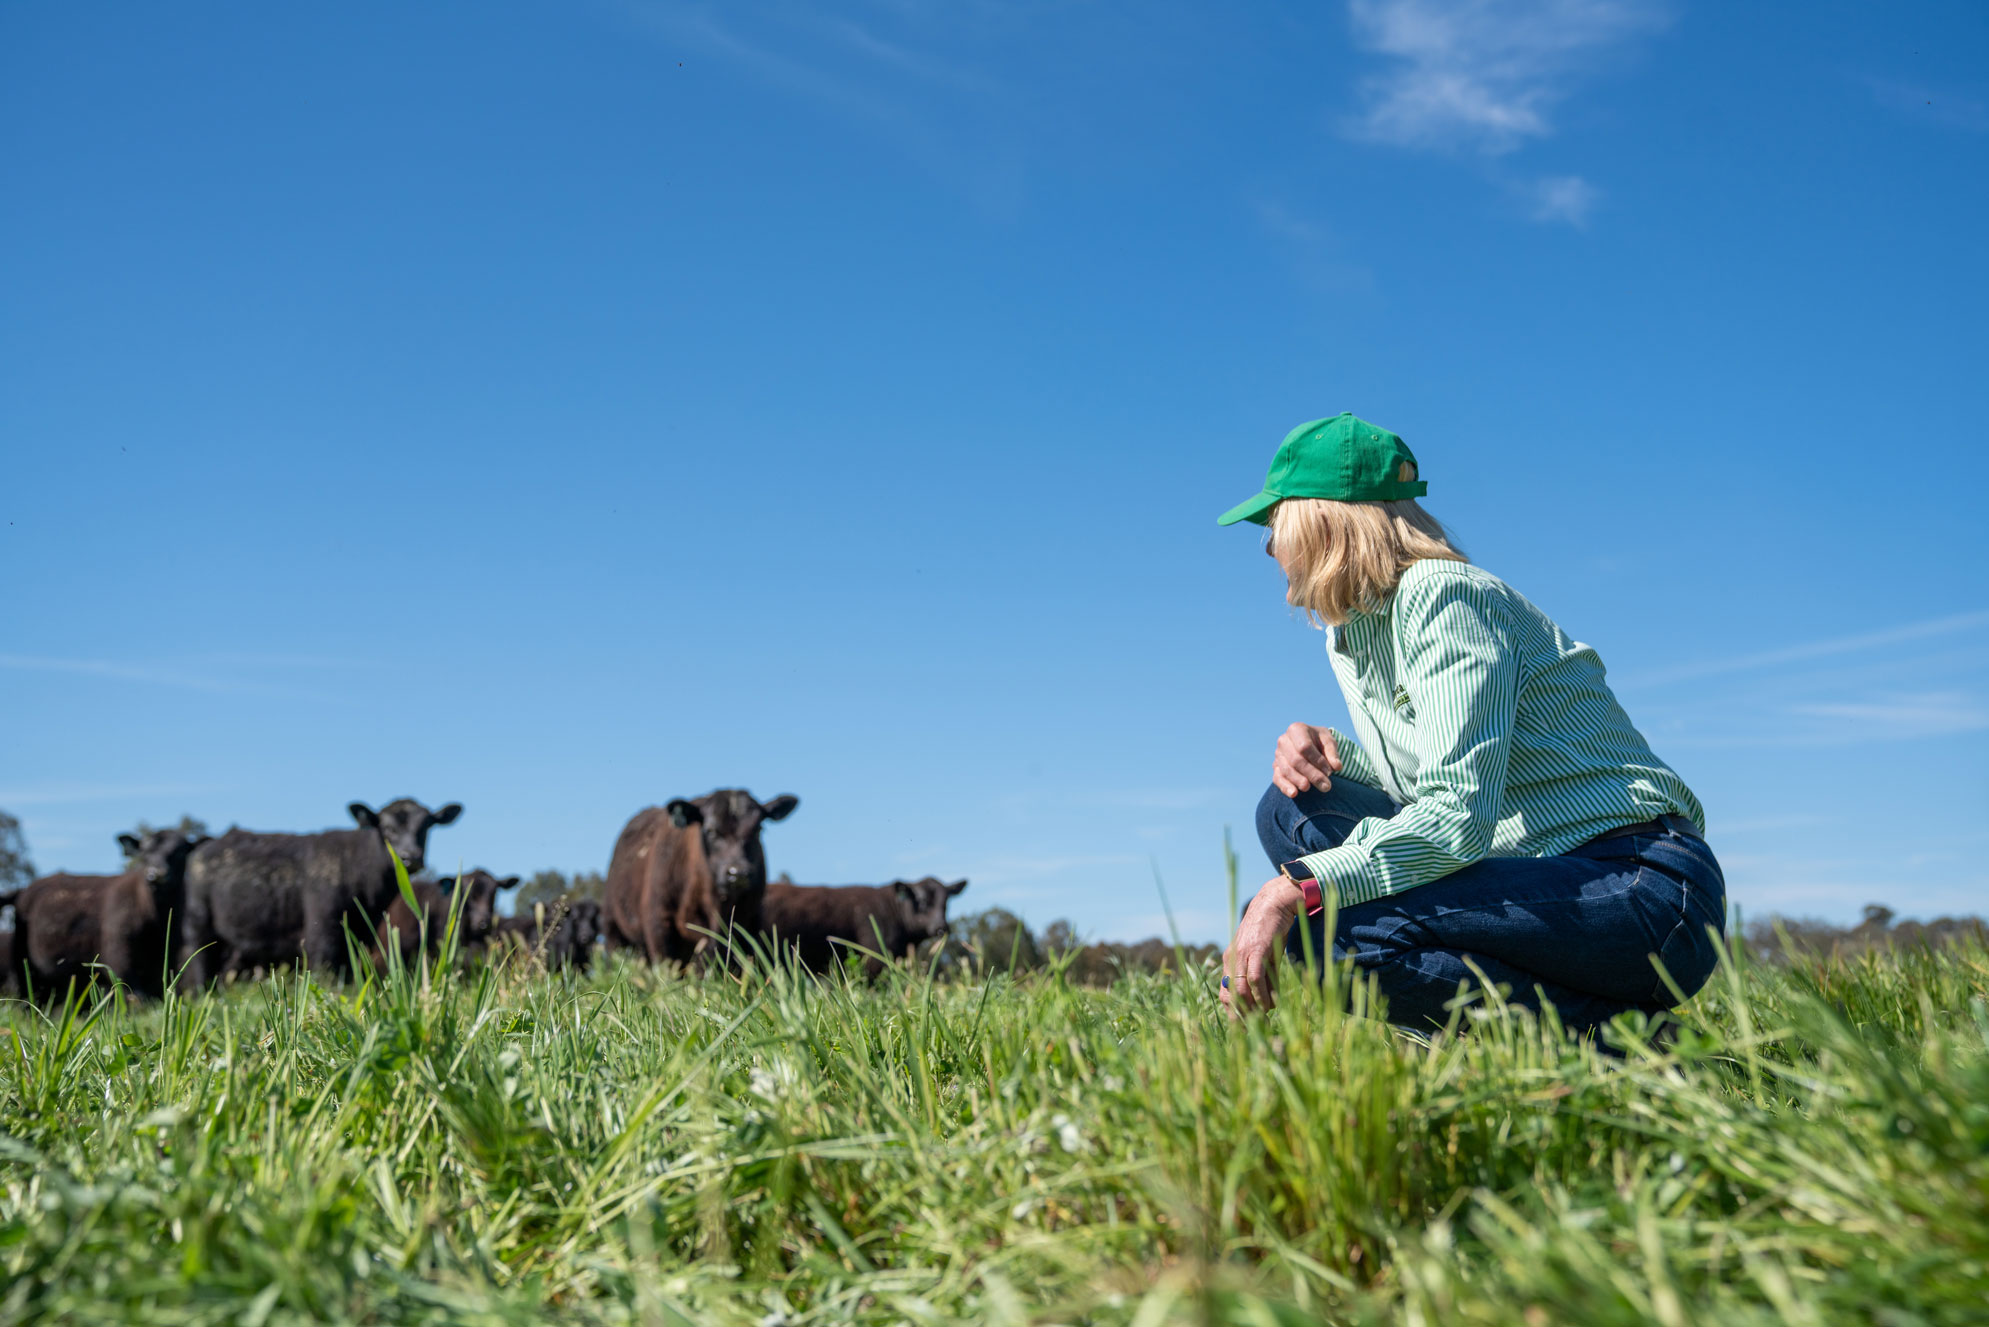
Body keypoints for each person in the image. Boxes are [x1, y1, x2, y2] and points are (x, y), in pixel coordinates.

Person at [1216, 414, 1724, 1035]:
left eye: (1276, 529)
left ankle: (1636, 1050)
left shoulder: (1446, 597)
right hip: (1536, 873)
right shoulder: (1355, 631)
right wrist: (1333, 752)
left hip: (1639, 883)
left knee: (1323, 929)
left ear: (1322, 521)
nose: (1272, 551)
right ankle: (1585, 1027)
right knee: (1286, 810)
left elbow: (1458, 814)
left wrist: (1291, 889)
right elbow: (1430, 778)